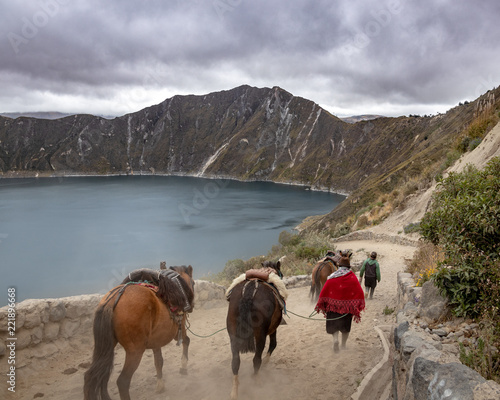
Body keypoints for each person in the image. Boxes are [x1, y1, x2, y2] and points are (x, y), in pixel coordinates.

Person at [314, 255, 365, 352]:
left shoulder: (332, 277)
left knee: (334, 325)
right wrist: (356, 305)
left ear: (339, 265)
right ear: (348, 266)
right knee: (345, 328)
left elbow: (324, 292)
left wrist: (324, 304)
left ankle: (335, 340)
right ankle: (343, 345)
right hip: (347, 309)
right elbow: (359, 292)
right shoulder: (352, 277)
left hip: (332, 308)